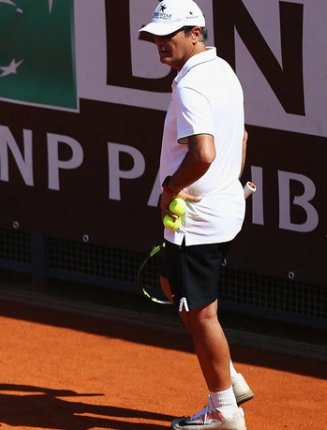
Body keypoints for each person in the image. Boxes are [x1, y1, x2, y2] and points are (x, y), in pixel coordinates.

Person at [139, 1, 254, 429]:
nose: (159, 43)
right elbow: (239, 136)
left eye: (168, 34)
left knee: (202, 317)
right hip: (224, 209)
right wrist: (229, 179)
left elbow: (203, 153)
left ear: (195, 32)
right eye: (155, 34)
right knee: (173, 284)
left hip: (196, 221)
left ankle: (224, 410)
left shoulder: (190, 86)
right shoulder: (222, 70)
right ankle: (230, 376)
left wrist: (171, 190)